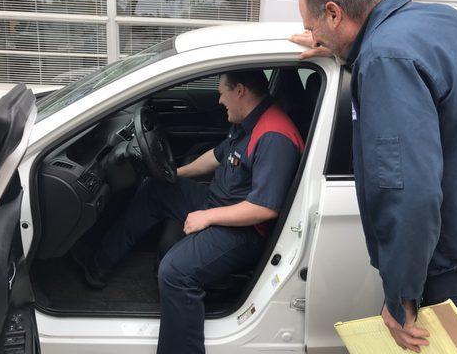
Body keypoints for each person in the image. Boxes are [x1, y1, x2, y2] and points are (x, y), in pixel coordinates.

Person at [291, 0, 457, 353]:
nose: (312, 35)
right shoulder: (443, 21)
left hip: (451, 266)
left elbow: (409, 192)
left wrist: (402, 296)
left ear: (334, 13)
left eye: (313, 27)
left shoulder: (385, 60)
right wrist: (342, 50)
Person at [78, 70, 304, 354]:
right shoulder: (250, 121)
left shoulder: (273, 136)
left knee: (174, 272)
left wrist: (207, 217)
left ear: (240, 91)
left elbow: (265, 208)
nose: (219, 100)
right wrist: (171, 175)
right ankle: (100, 264)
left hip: (246, 229)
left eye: (222, 92)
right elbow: (216, 156)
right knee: (154, 190)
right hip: (219, 202)